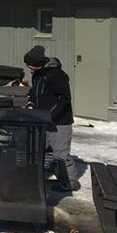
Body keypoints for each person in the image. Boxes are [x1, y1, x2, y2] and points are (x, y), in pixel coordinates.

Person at [24, 45, 79, 192]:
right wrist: (30, 103)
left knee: (61, 154)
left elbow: (64, 98)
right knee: (36, 149)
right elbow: (34, 93)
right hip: (41, 120)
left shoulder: (57, 75)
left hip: (59, 122)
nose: (27, 67)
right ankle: (34, 177)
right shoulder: (37, 74)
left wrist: (50, 115)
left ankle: (69, 181)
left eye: (29, 64)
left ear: (37, 64)